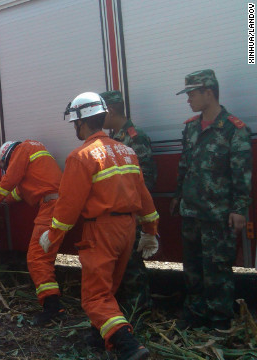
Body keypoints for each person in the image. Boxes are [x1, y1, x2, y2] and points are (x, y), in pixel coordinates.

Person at [40, 92, 159, 359]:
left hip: (101, 231)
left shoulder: (81, 156)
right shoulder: (127, 151)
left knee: (95, 296)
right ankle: (99, 335)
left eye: (75, 124)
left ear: (80, 123)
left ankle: (129, 346)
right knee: (110, 288)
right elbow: (144, 196)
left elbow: (69, 205)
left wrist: (53, 233)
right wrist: (150, 231)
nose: (75, 128)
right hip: (128, 230)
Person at [171, 69, 252, 331]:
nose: (188, 99)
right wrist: (178, 195)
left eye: (192, 93)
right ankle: (195, 313)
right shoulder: (191, 127)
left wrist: (239, 209)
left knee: (218, 269)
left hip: (217, 214)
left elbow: (242, 173)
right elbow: (184, 165)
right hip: (191, 211)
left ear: (208, 92)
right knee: (192, 267)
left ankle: (220, 320)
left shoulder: (233, 129)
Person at [0, 140, 64, 326]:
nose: (7, 169)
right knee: (42, 258)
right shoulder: (33, 162)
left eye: (5, 165)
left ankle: (52, 308)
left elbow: (10, 180)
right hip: (55, 205)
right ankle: (53, 305)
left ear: (8, 156)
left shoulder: (23, 149)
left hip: (52, 206)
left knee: (37, 259)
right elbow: (18, 193)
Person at [100, 90, 157, 314]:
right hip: (120, 212)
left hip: (132, 211)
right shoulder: (115, 139)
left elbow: (147, 178)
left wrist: (135, 209)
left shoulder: (135, 137)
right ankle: (128, 307)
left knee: (133, 263)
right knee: (123, 261)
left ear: (111, 110)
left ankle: (140, 309)